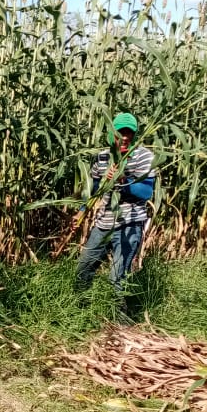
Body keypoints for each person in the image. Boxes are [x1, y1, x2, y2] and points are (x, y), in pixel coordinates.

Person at [74, 112, 157, 318]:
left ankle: (119, 324)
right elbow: (94, 188)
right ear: (112, 133)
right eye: (121, 132)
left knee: (117, 278)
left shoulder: (143, 155)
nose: (126, 136)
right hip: (103, 222)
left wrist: (121, 179)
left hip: (130, 223)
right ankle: (81, 313)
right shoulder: (102, 157)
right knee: (83, 269)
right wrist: (82, 211)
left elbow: (146, 192)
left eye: (130, 132)